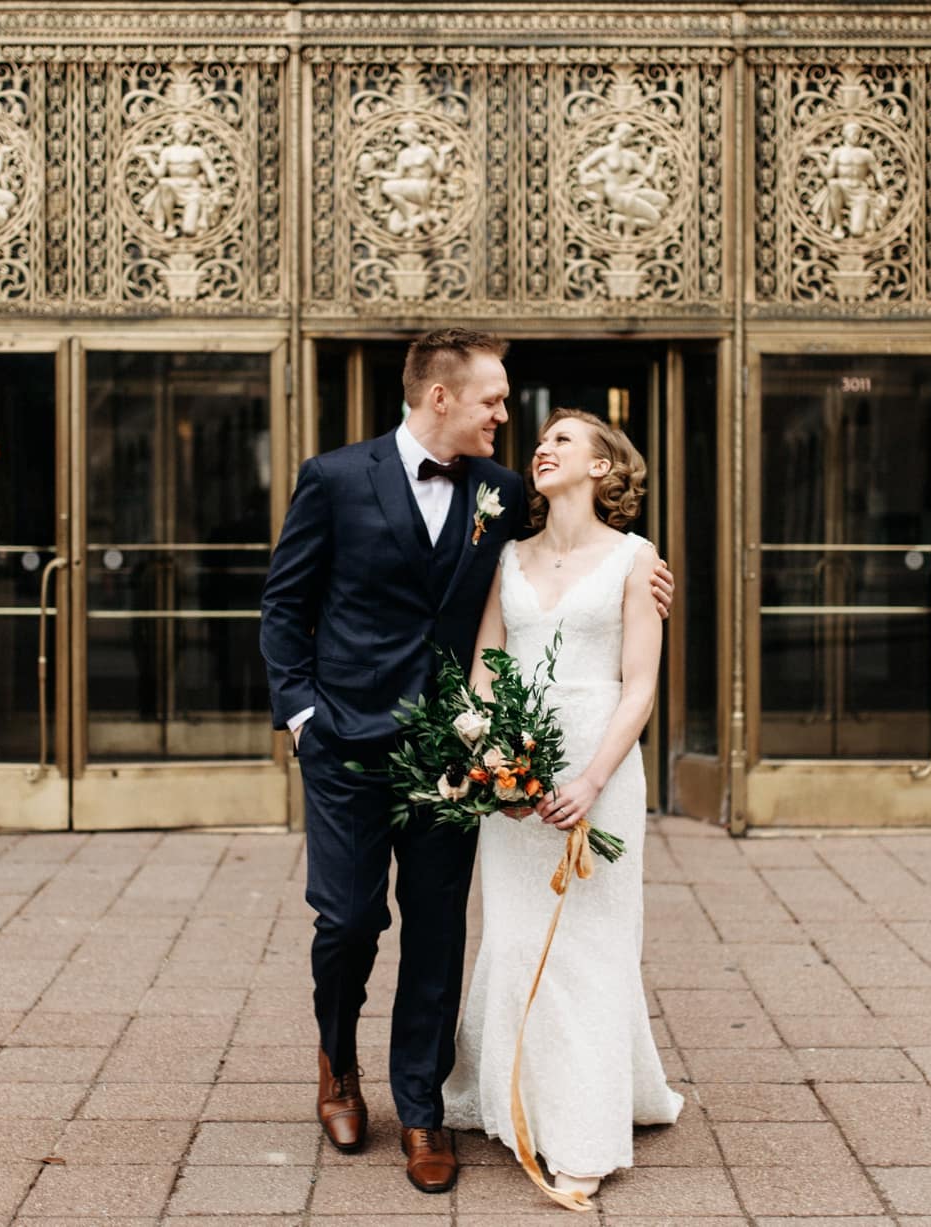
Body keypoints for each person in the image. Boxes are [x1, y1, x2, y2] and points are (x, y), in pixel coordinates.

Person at [259, 331, 674, 1194]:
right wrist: (302, 716)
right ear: (440, 397)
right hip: (344, 745)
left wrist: (649, 574)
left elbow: (578, 544)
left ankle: (420, 1109)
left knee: (439, 930)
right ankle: (338, 1063)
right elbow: (284, 603)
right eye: (494, 398)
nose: (507, 414)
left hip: (453, 753)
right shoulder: (334, 478)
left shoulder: (503, 492)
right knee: (346, 921)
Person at [441, 409, 683, 1203]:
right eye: (539, 439)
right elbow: (486, 665)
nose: (542, 447)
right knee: (513, 933)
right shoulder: (507, 556)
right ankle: (516, 1093)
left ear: (605, 468)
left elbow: (641, 684)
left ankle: (583, 1126)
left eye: (563, 440)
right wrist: (488, 764)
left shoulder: (636, 560)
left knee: (592, 940)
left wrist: (590, 780)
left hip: (600, 763)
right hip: (517, 770)